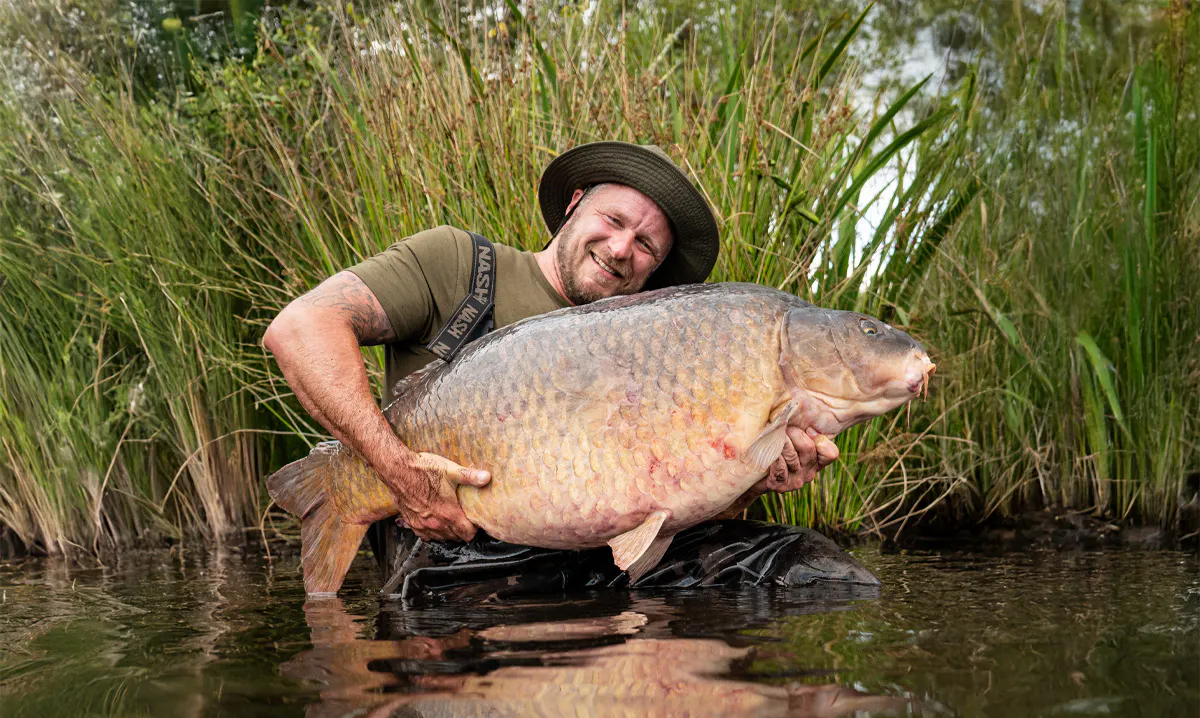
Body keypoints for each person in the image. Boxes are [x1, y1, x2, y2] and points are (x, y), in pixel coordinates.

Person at [263, 141, 838, 590]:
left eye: (646, 246)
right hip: (458, 597)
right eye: (614, 220)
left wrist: (750, 484)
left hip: (598, 587)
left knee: (816, 572)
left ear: (656, 270)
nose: (622, 248)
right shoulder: (458, 265)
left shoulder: (655, 351)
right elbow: (301, 328)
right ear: (574, 203)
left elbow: (666, 505)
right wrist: (401, 475)